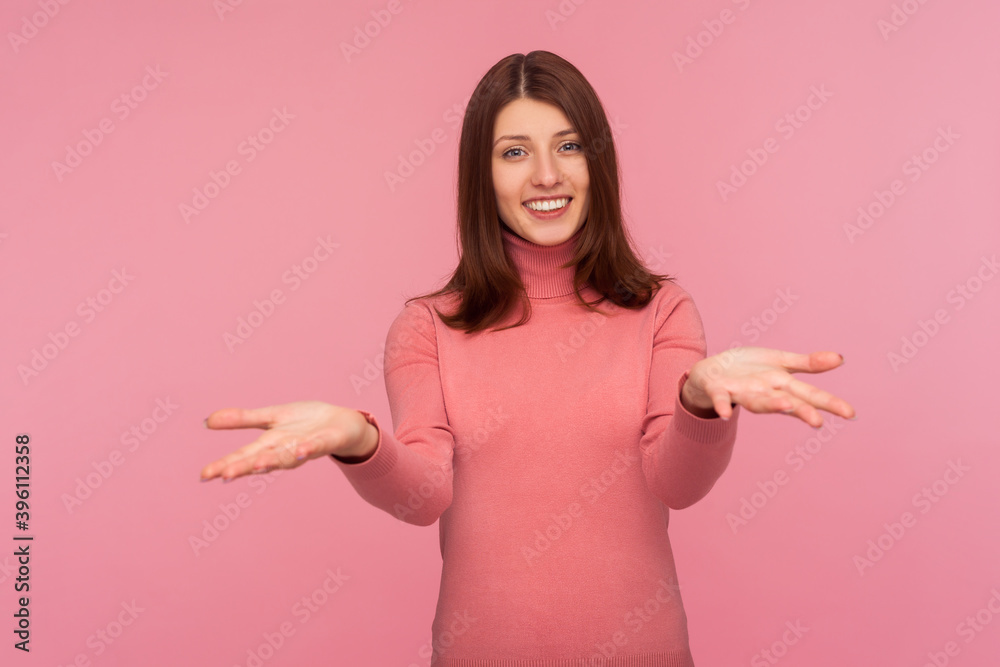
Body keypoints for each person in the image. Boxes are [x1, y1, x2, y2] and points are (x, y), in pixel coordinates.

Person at [199, 50, 855, 666]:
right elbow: (425, 495)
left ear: (598, 161)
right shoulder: (428, 327)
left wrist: (698, 399)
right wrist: (358, 439)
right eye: (515, 152)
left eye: (568, 146)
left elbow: (676, 484)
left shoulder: (662, 310)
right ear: (481, 176)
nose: (546, 174)